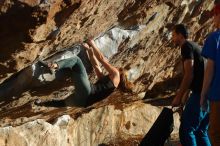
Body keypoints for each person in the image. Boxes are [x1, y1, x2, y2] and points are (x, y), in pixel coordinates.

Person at [44, 39, 132, 107]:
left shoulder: (116, 74)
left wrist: (92, 43)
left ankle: (54, 66)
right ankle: (41, 103)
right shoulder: (109, 86)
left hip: (88, 91)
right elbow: (96, 66)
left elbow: (101, 59)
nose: (114, 67)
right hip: (82, 103)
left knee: (76, 61)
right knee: (63, 103)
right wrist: (89, 51)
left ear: (120, 71)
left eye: (116, 67)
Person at [171, 24, 211, 146]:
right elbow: (199, 72)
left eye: (173, 35)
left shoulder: (186, 46)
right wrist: (186, 94)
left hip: (201, 94)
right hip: (209, 94)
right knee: (201, 131)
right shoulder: (195, 46)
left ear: (180, 35)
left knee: (186, 130)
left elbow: (189, 74)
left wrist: (178, 96)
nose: (172, 38)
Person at [200, 2, 220, 146]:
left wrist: (203, 94)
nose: (214, 19)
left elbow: (210, 70)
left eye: (215, 15)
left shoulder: (214, 38)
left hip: (218, 95)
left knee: (214, 133)